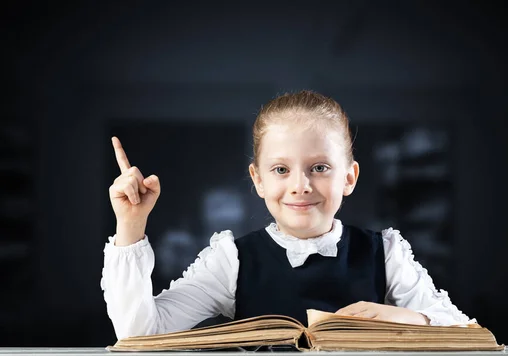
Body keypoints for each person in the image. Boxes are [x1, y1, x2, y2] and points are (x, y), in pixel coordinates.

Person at [101, 90, 475, 340]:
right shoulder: (229, 260)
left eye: (320, 168)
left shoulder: (387, 252)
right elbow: (139, 333)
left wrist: (408, 317)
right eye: (281, 170)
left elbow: (466, 334)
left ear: (349, 177)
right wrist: (131, 224)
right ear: (258, 179)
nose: (301, 186)